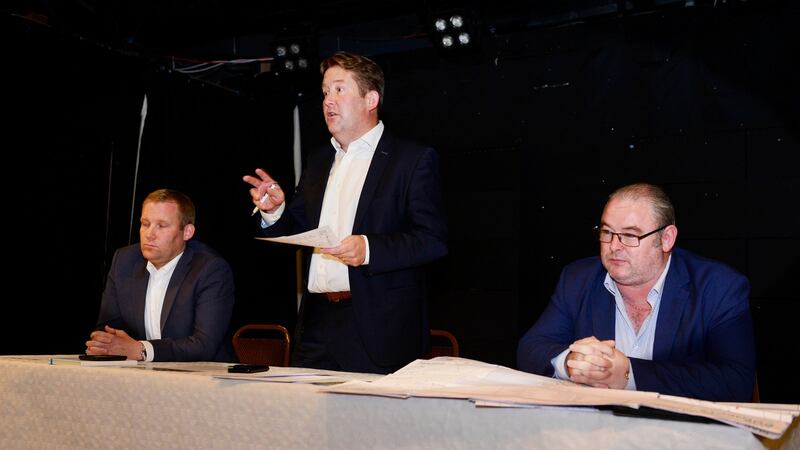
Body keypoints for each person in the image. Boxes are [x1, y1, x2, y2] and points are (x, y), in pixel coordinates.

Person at [243, 51, 447, 374]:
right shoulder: (319, 160)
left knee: (372, 424)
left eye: (339, 90)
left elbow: (432, 240)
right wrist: (276, 210)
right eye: (324, 92)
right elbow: (300, 227)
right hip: (317, 324)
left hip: (377, 327)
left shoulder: (411, 160)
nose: (328, 101)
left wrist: (368, 249)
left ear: (371, 99)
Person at [517, 183, 756, 402]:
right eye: (607, 232)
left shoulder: (718, 287)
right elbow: (531, 347)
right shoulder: (578, 278)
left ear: (666, 238)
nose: (614, 246)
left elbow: (735, 382)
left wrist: (628, 375)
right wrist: (571, 363)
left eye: (630, 235)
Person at [86, 189, 235, 362]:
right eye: (145, 223)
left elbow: (204, 345)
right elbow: (108, 328)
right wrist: (105, 344)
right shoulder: (124, 261)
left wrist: (142, 350)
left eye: (161, 226)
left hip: (204, 378)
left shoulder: (210, 269)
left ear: (187, 232)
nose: (149, 234)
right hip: (141, 375)